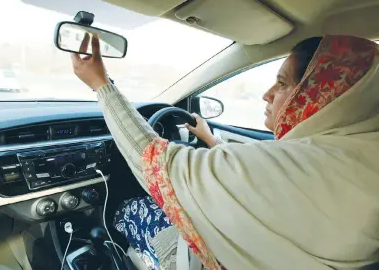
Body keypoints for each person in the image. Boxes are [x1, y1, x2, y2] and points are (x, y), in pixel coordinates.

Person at [71, 34, 379, 270]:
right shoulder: (357, 152)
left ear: (321, 94)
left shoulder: (294, 169)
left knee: (129, 210)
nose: (266, 94)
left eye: (282, 83)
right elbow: (261, 171)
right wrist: (210, 140)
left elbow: (155, 163)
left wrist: (100, 84)